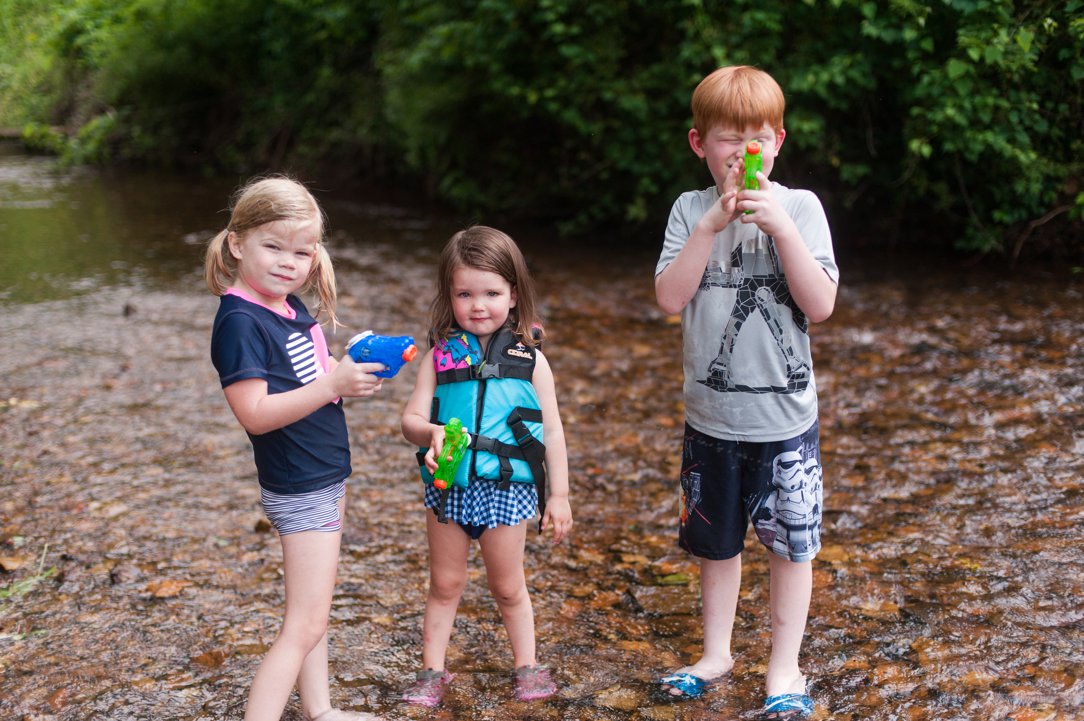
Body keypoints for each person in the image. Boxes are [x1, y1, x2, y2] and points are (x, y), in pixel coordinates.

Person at [653, 66, 839, 719]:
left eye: (756, 138)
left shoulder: (802, 208)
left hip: (784, 420)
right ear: (698, 143)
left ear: (779, 141)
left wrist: (780, 229)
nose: (742, 153)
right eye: (729, 139)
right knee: (717, 544)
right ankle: (716, 651)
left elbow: (821, 306)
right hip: (711, 417)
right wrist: (710, 225)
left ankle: (784, 664)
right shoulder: (687, 210)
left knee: (790, 546)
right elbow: (669, 297)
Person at [206, 176, 386, 721]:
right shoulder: (240, 320)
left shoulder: (286, 307)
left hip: (325, 473)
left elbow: (304, 379)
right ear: (238, 243)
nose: (289, 262)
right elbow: (256, 416)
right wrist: (331, 387)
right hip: (300, 482)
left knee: (315, 611)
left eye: (302, 252)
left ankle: (320, 711)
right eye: (273, 246)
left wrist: (346, 372)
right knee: (303, 623)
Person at [400, 226, 574, 707]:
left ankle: (527, 666)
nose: (479, 305)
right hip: (448, 486)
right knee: (445, 583)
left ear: (513, 295)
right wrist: (429, 432)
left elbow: (553, 431)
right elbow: (410, 420)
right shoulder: (439, 357)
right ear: (449, 296)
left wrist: (557, 496)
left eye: (492, 293)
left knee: (508, 586)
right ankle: (433, 672)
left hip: (507, 488)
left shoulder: (532, 361)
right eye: (465, 294)